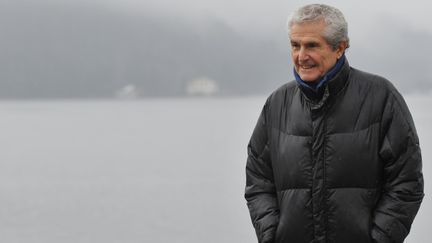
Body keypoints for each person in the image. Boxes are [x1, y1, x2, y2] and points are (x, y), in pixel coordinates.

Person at [244, 4, 424, 243]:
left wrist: (379, 239)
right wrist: (271, 234)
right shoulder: (277, 104)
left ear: (340, 48)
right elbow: (258, 180)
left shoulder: (381, 97)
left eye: (312, 45)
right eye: (295, 45)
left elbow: (407, 182)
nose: (301, 56)